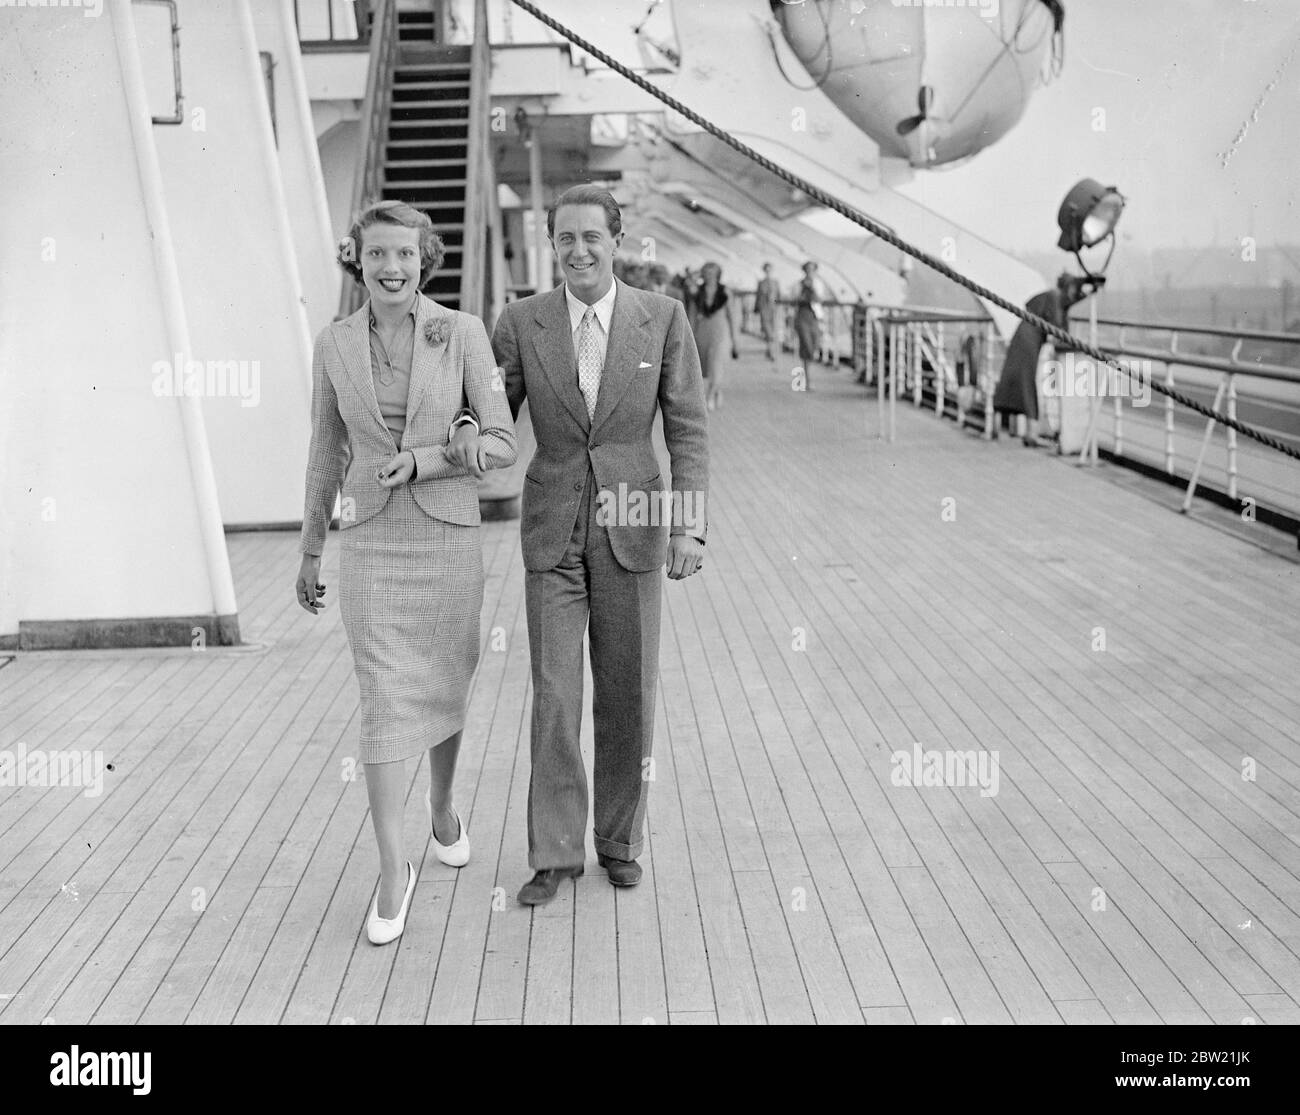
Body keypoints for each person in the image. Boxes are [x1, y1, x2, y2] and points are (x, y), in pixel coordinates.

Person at [296, 200, 517, 946]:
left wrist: (428, 458)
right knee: (385, 698)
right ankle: (394, 870)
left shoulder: (463, 332)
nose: (391, 267)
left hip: (449, 537)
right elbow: (326, 450)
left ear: (427, 259)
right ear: (355, 257)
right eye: (377, 253)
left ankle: (444, 806)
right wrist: (307, 549)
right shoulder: (332, 343)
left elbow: (501, 439)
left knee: (444, 683)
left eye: (405, 254)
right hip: (370, 544)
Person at [484, 184, 709, 906]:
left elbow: (688, 429)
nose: (579, 250)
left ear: (618, 241)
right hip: (553, 522)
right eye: (566, 238)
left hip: (634, 518)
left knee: (628, 690)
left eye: (592, 237)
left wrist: (689, 523)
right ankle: (554, 851)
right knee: (554, 693)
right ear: (552, 244)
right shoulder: (520, 322)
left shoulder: (663, 319)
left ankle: (619, 841)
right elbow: (489, 414)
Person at [992, 272, 1089, 446]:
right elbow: (1058, 322)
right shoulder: (1054, 297)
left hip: (1023, 335)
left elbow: (1067, 303)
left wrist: (1087, 288)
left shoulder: (1053, 296)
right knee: (1025, 381)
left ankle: (995, 426)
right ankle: (1031, 432)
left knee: (1010, 379)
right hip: (1030, 340)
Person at [690, 261, 739, 411]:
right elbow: (692, 315)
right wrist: (690, 335)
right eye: (706, 272)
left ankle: (710, 396)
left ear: (718, 274)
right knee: (706, 366)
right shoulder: (697, 292)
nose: (709, 276)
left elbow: (732, 316)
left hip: (721, 331)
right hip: (703, 331)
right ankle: (716, 390)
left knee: (716, 364)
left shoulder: (725, 292)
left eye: (713, 273)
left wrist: (735, 339)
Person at [794, 261, 822, 390]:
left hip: (814, 317)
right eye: (808, 269)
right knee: (806, 347)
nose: (810, 272)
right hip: (802, 316)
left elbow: (818, 299)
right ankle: (806, 381)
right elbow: (796, 299)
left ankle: (807, 379)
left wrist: (812, 288)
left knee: (814, 345)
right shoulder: (799, 285)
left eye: (812, 269)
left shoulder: (818, 284)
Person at [755, 262, 780, 361]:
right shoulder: (761, 283)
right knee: (767, 330)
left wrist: (775, 304)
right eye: (766, 269)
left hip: (773, 309)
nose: (768, 271)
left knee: (772, 330)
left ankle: (770, 350)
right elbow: (758, 296)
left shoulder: (776, 282)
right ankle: (771, 351)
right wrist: (756, 308)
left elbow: (778, 296)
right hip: (764, 308)